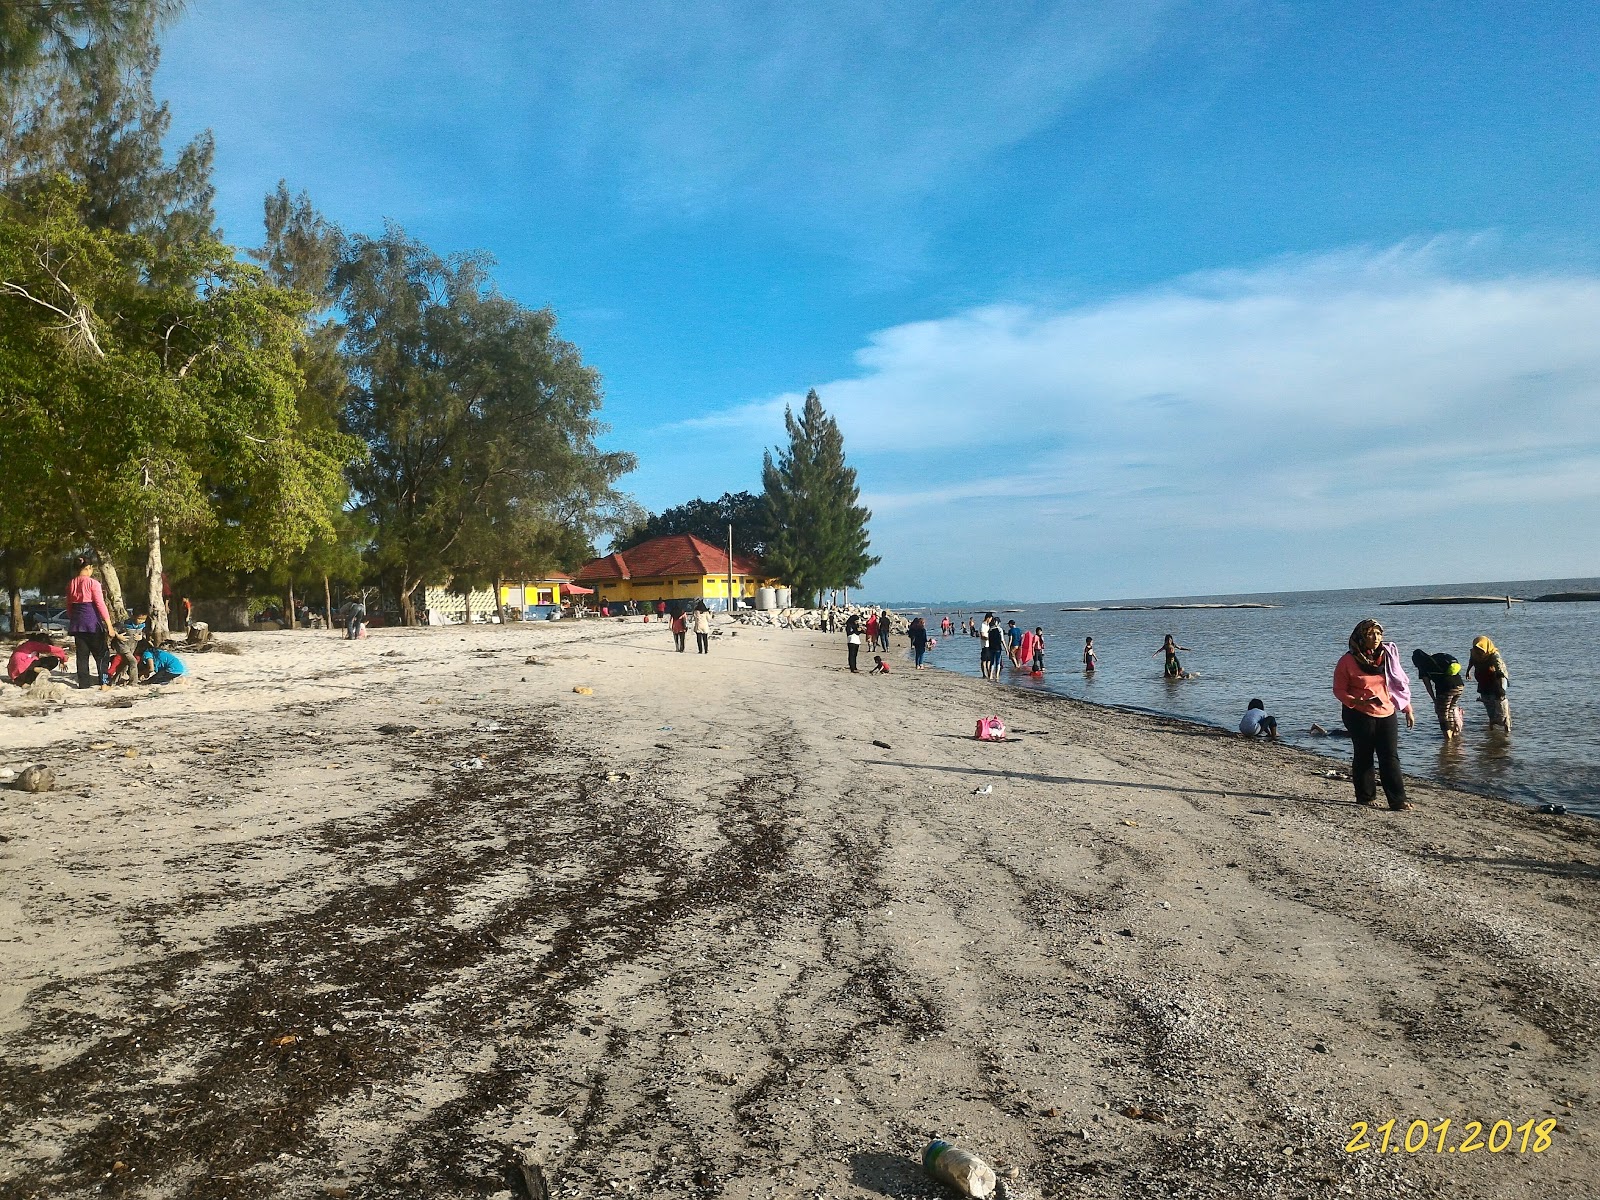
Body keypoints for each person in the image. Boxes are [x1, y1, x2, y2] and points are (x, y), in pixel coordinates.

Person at [1333, 618, 1416, 811]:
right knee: (1364, 755)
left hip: (1387, 712)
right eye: (1371, 634)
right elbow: (1338, 689)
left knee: (1390, 756)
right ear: (1361, 636)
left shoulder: (1388, 656)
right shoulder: (1348, 660)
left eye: (1379, 634)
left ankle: (1398, 800)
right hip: (1359, 713)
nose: (1376, 638)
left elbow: (1397, 684)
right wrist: (1354, 700)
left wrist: (1407, 708)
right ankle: (1365, 796)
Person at [66, 556, 114, 689]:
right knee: (102, 654)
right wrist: (109, 624)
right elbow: (100, 604)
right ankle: (104, 682)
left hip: (77, 624)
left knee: (82, 656)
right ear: (88, 568)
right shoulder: (93, 583)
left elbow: (69, 606)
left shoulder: (71, 583)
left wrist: (73, 619)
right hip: (92, 624)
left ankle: (84, 684)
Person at [1412, 648, 1466, 738]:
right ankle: (1454, 734)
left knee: (1442, 713)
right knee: (1450, 710)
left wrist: (1434, 699)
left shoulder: (1422, 666)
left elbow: (1428, 686)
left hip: (1446, 688)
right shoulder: (1436, 659)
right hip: (1459, 685)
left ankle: (1448, 737)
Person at [1466, 636, 1511, 731]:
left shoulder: (1494, 655)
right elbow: (1472, 660)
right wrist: (1468, 671)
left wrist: (1501, 687)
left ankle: (1506, 724)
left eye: (1481, 650)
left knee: (1499, 699)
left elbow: (1500, 669)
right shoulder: (1474, 652)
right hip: (1483, 678)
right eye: (1477, 649)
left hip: (1497, 677)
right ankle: (1492, 721)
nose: (1479, 652)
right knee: (1487, 699)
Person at [984, 614, 1005, 682]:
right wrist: (1006, 649)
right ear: (998, 623)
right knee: (998, 662)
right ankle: (997, 675)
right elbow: (1002, 640)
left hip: (991, 648)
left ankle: (990, 676)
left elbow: (988, 639)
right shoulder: (1000, 629)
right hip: (998, 648)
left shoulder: (990, 630)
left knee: (992, 662)